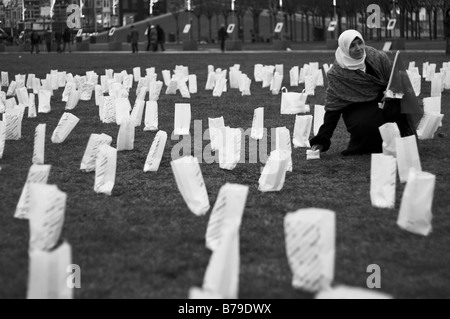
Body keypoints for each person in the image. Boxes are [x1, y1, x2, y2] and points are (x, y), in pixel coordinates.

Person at [310, 29, 418, 156]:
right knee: (366, 123)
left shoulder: (377, 57)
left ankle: (399, 142)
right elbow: (333, 108)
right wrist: (322, 139)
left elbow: (393, 80)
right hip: (354, 106)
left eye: (360, 43)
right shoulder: (337, 73)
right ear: (344, 48)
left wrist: (391, 94)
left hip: (381, 98)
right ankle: (366, 146)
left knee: (395, 109)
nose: (358, 48)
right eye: (352, 45)